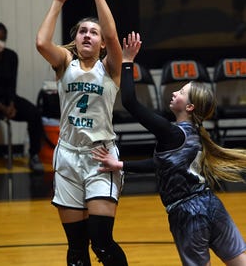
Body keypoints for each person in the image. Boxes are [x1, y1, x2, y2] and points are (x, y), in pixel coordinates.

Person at [93, 32, 246, 266]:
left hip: (188, 212)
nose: (174, 92)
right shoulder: (195, 134)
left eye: (181, 92)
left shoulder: (171, 132)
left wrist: (127, 62)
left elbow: (130, 102)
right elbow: (161, 164)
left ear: (190, 106)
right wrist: (121, 165)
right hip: (211, 203)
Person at [36, 0, 128, 266]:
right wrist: (58, 0)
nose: (87, 34)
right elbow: (40, 42)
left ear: (102, 43)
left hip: (100, 157)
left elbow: (114, 34)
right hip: (68, 157)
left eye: (93, 32)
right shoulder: (64, 64)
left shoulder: (111, 68)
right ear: (75, 40)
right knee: (76, 249)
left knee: (101, 243)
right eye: (82, 31)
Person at [0, 21, 45, 177]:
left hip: (6, 99)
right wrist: (1, 107)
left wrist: (10, 104)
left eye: (2, 39)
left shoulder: (11, 57)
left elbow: (12, 84)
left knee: (34, 113)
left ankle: (34, 156)